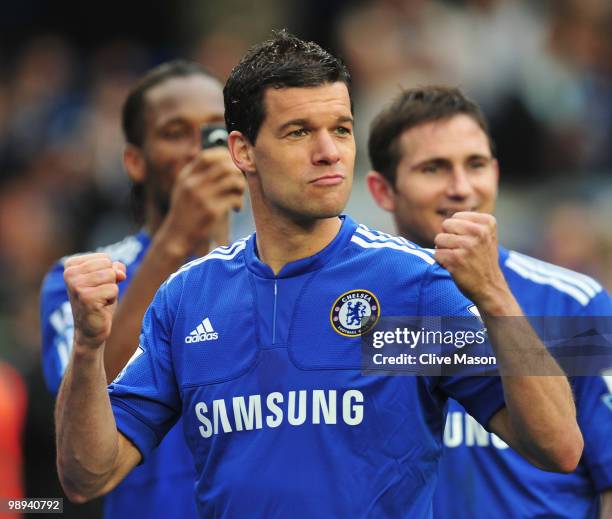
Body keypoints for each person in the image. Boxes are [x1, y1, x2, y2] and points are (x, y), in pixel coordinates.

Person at [55, 31, 583, 518]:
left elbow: (558, 448)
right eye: (299, 131)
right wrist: (87, 349)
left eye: (341, 129)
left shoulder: (409, 287)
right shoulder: (190, 297)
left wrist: (495, 298)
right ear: (243, 150)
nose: (329, 152)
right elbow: (87, 475)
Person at [366, 85, 612, 518]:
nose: (461, 188)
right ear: (383, 191)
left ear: (495, 173)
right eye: (434, 168)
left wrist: (494, 293)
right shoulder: (357, 311)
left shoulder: (573, 304)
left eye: (475, 165)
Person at [40, 60, 245, 518]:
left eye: (214, 131)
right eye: (176, 132)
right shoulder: (81, 280)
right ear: (135, 160)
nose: (199, 151)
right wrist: (177, 240)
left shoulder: (288, 267)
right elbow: (86, 422)